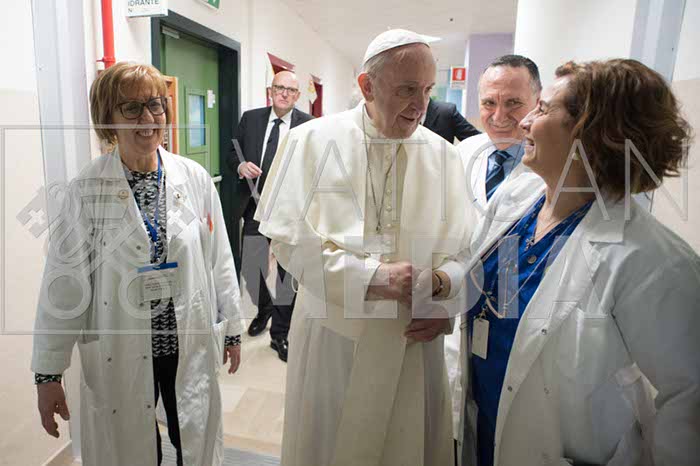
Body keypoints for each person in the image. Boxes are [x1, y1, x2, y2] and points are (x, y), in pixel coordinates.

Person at [446, 59, 700, 466]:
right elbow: (496, 292)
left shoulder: (650, 259)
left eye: (543, 108)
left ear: (591, 132)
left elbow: (689, 395)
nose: (524, 122)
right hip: (482, 427)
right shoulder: (518, 199)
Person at [256, 29, 474, 466]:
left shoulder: (444, 155)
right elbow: (288, 240)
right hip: (335, 337)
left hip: (413, 338)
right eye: (407, 89)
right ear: (367, 85)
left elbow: (465, 252)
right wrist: (371, 278)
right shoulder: (310, 141)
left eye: (428, 90)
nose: (420, 105)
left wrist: (442, 293)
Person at [32, 62, 243, 466]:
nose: (147, 118)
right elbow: (63, 286)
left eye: (155, 105)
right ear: (108, 118)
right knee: (129, 445)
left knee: (193, 436)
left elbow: (219, 258)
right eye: (131, 108)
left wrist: (232, 327)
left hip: (185, 342)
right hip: (121, 348)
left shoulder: (194, 178)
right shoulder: (86, 190)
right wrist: (48, 374)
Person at [230, 70, 313, 361]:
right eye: (279, 87)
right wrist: (241, 166)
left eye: (290, 90)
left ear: (297, 95)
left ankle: (280, 333)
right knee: (251, 268)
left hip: (289, 210)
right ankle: (263, 309)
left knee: (287, 274)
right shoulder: (251, 119)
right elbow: (233, 152)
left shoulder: (309, 125)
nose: (284, 93)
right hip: (255, 206)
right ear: (271, 90)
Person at [458, 55, 541, 207]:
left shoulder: (557, 166)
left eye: (513, 102)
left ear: (538, 102)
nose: (499, 117)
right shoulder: (463, 152)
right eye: (489, 103)